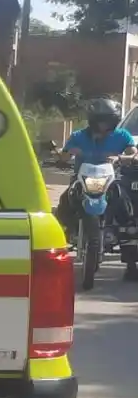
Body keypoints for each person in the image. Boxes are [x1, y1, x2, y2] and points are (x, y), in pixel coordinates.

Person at [54, 98, 138, 277]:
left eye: (107, 120)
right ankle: (67, 233)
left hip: (110, 182)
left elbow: (133, 152)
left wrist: (123, 158)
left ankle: (131, 264)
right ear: (93, 120)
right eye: (100, 120)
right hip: (81, 180)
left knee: (127, 214)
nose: (103, 125)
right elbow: (64, 156)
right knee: (64, 204)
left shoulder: (122, 135)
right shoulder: (78, 136)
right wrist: (65, 155)